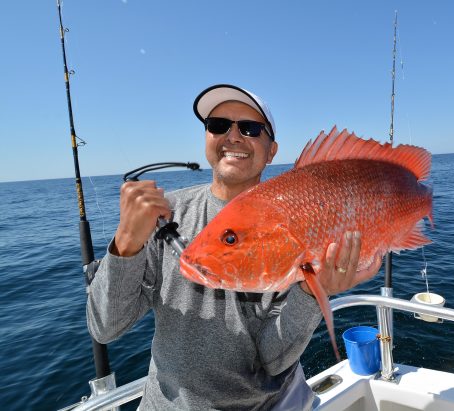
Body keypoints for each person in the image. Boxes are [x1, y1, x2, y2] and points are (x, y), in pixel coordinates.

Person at [87, 84, 382, 410]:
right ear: (206, 139)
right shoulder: (164, 216)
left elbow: (274, 361)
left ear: (272, 151)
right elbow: (105, 327)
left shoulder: (289, 223)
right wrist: (126, 241)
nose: (233, 136)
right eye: (218, 125)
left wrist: (313, 293)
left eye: (250, 128)